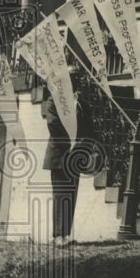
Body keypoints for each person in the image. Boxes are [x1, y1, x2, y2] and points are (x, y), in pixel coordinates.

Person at [42, 76, 87, 247]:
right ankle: (57, 236)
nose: (75, 82)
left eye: (77, 79)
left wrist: (82, 145)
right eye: (72, 78)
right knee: (60, 194)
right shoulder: (54, 99)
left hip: (76, 156)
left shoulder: (82, 102)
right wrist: (71, 145)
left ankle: (66, 234)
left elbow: (88, 126)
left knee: (71, 194)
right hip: (60, 156)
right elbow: (53, 125)